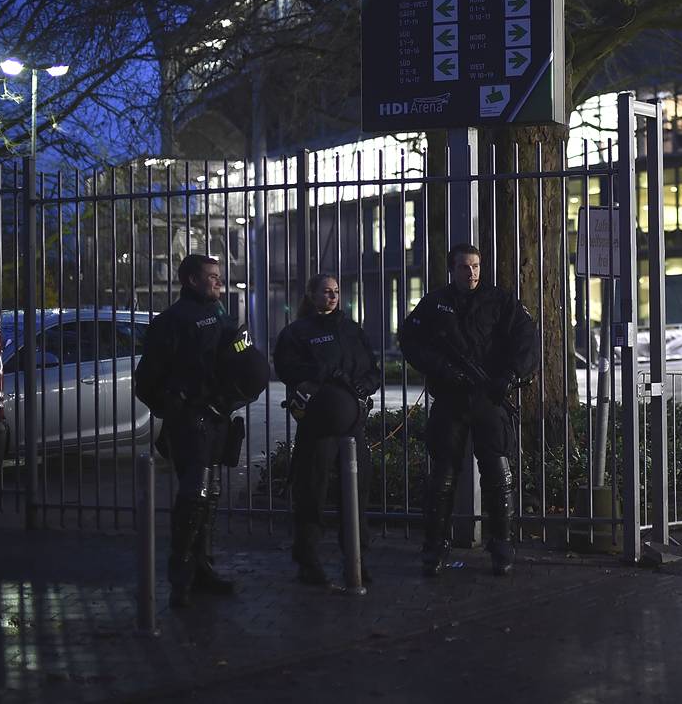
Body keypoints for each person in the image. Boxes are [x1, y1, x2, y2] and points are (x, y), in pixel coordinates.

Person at [398, 243, 537, 577]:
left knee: (498, 473)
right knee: (442, 476)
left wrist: (510, 376)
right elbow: (410, 339)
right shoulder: (435, 302)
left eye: (475, 266)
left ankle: (502, 545)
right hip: (451, 398)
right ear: (452, 269)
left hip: (489, 397)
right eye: (464, 267)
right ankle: (435, 546)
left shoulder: (500, 300)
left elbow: (526, 339)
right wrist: (441, 368)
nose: (471, 272)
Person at [135, 254, 264, 608]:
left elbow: (238, 358)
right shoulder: (171, 322)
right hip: (190, 420)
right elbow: (147, 380)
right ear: (191, 280)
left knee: (210, 494)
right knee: (195, 494)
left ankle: (202, 568)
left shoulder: (221, 317)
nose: (219, 281)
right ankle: (180, 577)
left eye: (220, 275)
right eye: (212, 276)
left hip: (218, 415)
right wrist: (176, 405)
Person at [273, 274, 381, 587]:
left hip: (353, 425)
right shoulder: (297, 332)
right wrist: (323, 374)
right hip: (318, 427)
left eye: (335, 291)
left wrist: (364, 386)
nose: (332, 297)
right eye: (325, 291)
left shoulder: (351, 330)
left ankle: (356, 558)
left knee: (357, 493)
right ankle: (308, 560)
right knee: (312, 492)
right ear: (311, 294)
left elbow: (372, 369)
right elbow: (286, 369)